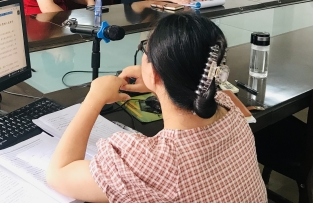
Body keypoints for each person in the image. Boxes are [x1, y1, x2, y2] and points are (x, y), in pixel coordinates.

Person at [46, 14, 267, 203]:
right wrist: (159, 82)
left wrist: (94, 97)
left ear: (154, 73)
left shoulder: (156, 163)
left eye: (145, 49)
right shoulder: (230, 108)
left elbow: (59, 173)